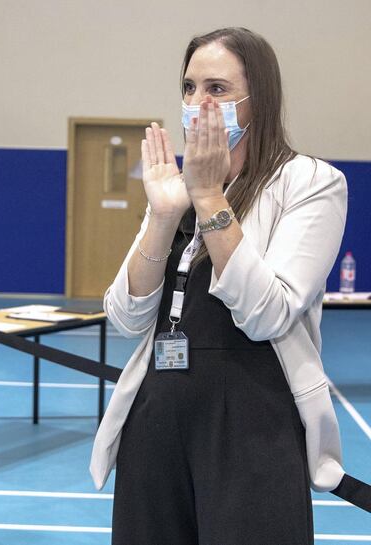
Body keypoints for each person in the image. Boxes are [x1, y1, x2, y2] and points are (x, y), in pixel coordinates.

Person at [90, 27, 351, 544]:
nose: (197, 103)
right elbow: (124, 317)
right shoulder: (176, 190)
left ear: (260, 100)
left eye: (216, 89)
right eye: (189, 88)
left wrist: (210, 199)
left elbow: (268, 315)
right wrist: (165, 216)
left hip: (252, 422)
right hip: (157, 420)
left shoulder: (311, 183)